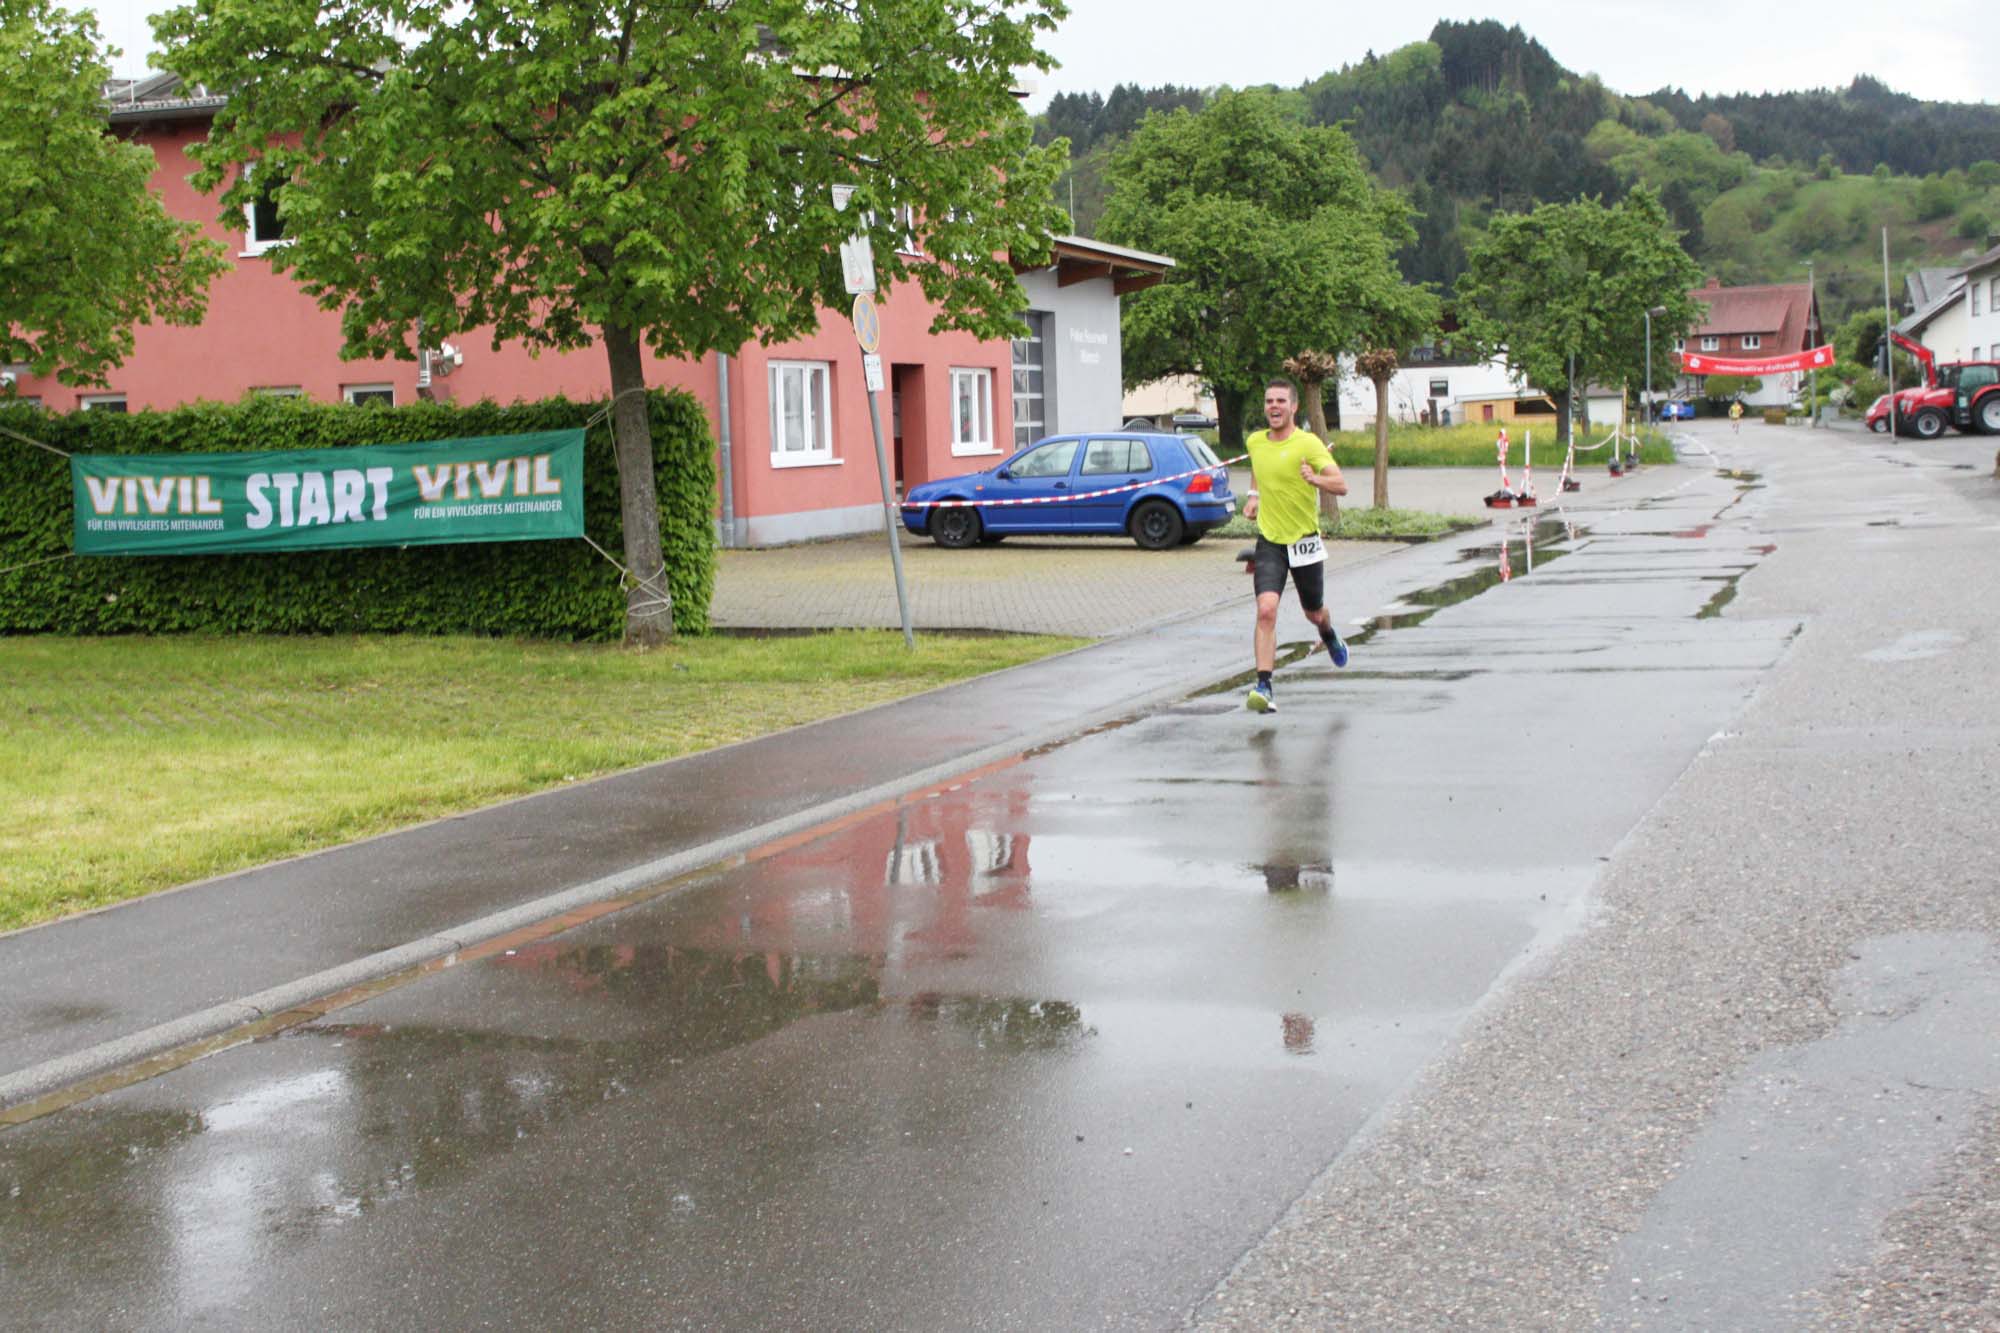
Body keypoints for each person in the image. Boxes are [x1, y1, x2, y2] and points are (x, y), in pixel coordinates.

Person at [1239, 377, 1350, 714]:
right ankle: (1264, 685)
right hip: (1270, 540)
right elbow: (1259, 467)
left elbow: (1341, 485)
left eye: (1280, 401)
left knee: (1313, 611)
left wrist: (1315, 479)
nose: (1274, 406)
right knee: (1266, 609)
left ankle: (1328, 633)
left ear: (1294, 406)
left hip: (1304, 541)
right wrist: (1254, 496)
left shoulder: (1309, 443)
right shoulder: (1256, 441)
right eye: (1269, 401)